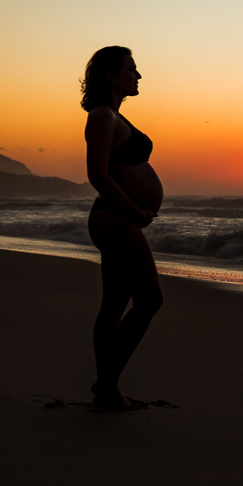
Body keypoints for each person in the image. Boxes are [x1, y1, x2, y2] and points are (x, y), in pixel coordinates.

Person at [81, 46, 163, 410]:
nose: (138, 75)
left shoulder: (112, 116)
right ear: (111, 75)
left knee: (114, 304)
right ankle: (107, 386)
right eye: (131, 68)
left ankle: (108, 390)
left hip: (119, 219)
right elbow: (97, 174)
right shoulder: (102, 115)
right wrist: (134, 209)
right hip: (115, 218)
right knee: (149, 300)